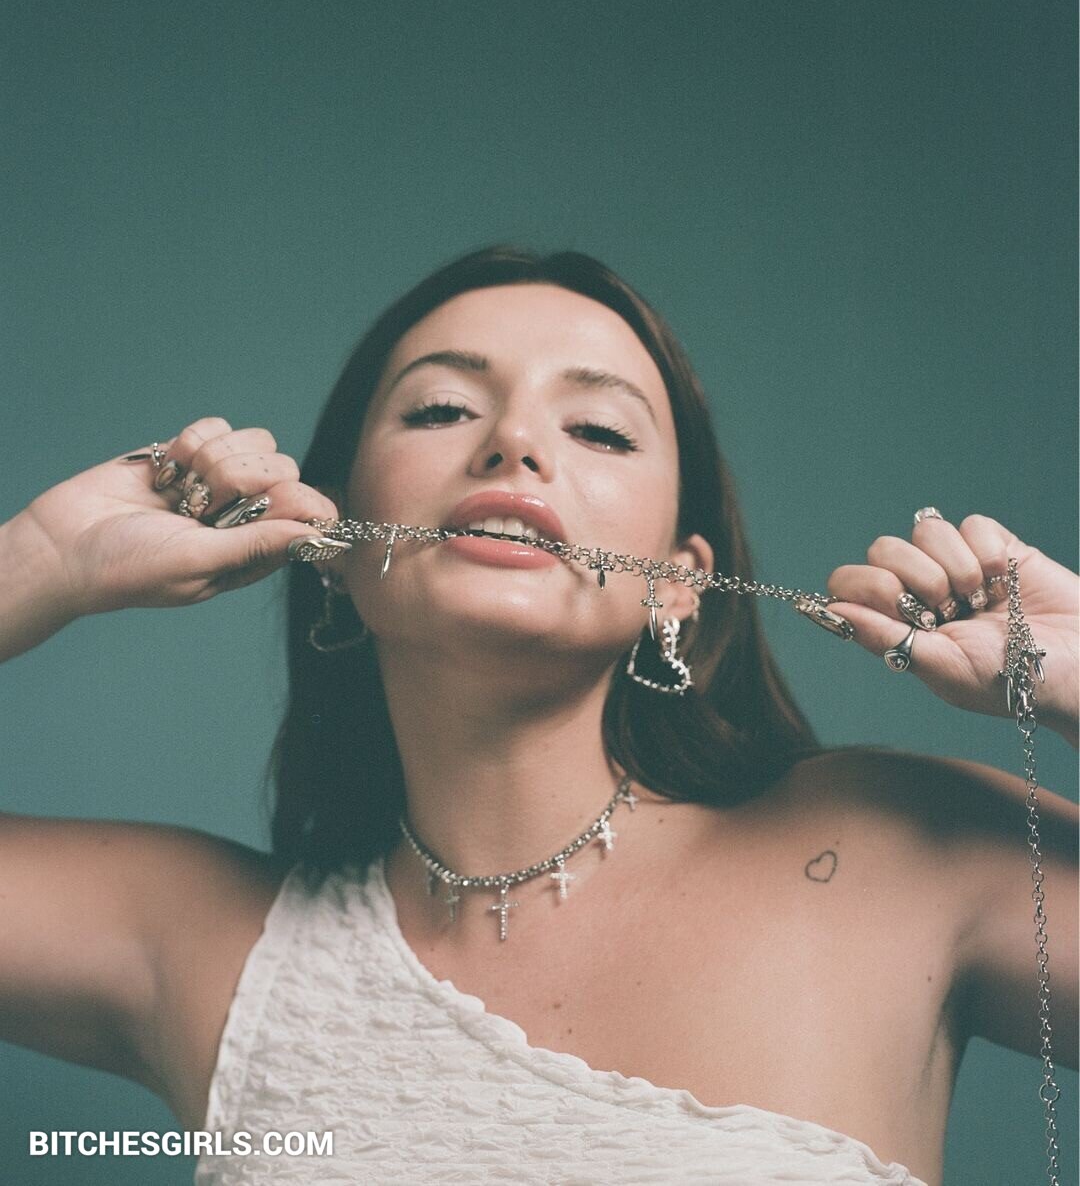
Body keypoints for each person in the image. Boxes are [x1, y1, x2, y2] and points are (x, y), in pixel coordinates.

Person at [1, 246, 1076, 1186]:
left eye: (599, 428)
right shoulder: (202, 944)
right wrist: (39, 562)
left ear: (678, 584)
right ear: (327, 548)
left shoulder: (899, 850)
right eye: (440, 410)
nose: (513, 441)